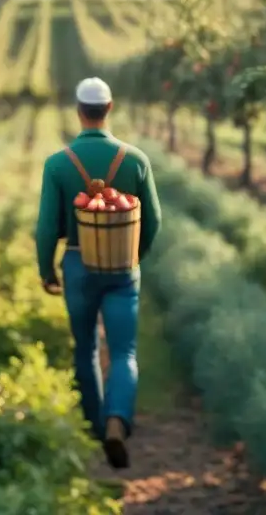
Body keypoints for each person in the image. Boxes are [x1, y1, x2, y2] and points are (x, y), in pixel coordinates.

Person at [34, 77, 162, 469]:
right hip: (122, 269)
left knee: (86, 347)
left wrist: (47, 271)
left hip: (78, 265)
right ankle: (116, 422)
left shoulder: (58, 163)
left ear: (79, 110)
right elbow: (153, 220)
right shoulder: (136, 159)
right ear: (109, 108)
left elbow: (45, 226)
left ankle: (92, 427)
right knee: (123, 350)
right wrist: (133, 255)